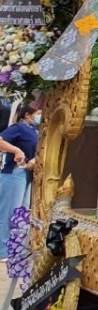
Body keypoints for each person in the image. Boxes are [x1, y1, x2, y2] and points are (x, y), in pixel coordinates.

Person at [0, 103, 39, 258]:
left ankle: (14, 250)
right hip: (15, 173)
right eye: (37, 113)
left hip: (27, 174)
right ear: (28, 115)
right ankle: (3, 251)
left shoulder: (35, 131)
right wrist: (16, 150)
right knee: (9, 213)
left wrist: (35, 159)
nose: (39, 116)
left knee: (20, 215)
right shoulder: (18, 128)